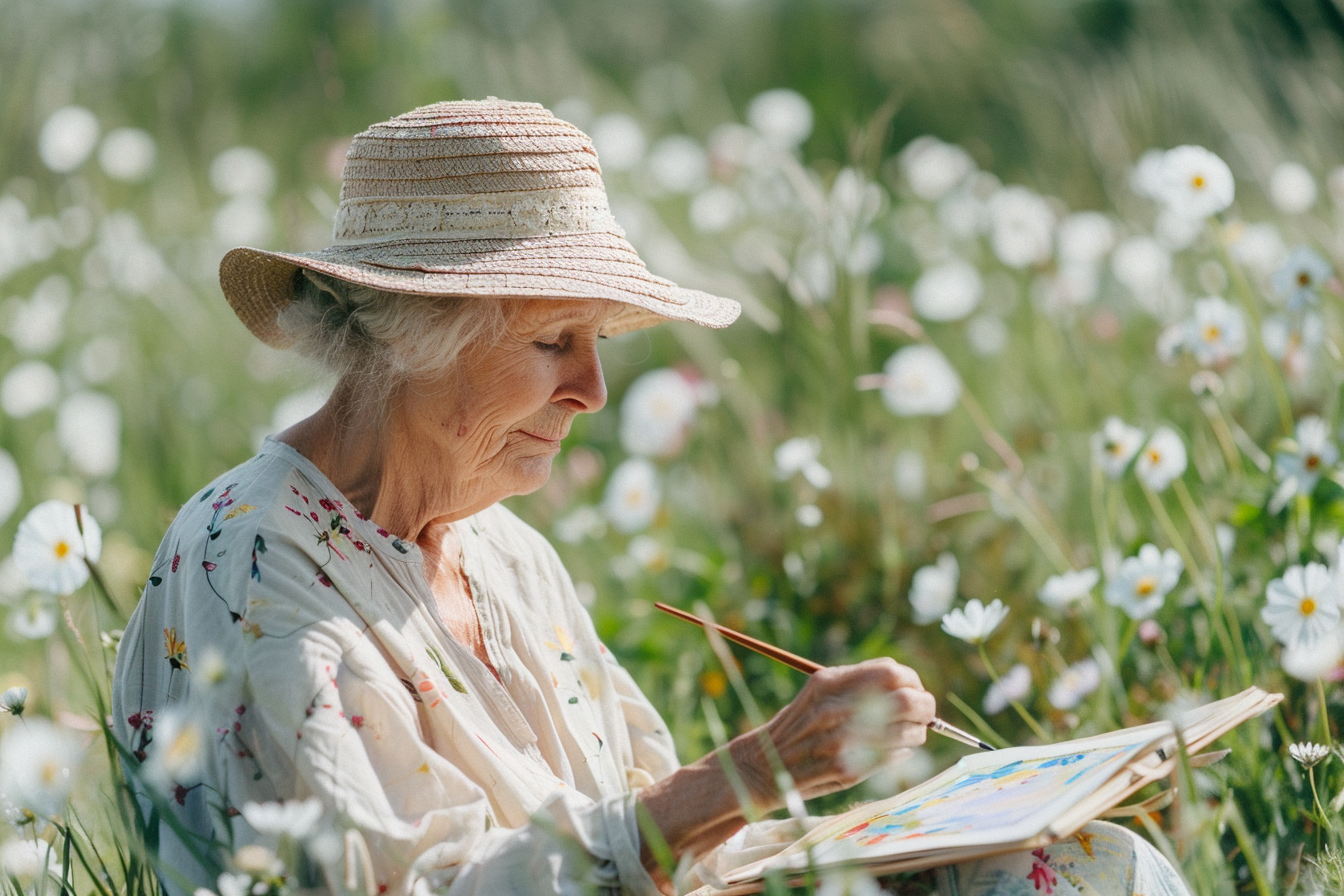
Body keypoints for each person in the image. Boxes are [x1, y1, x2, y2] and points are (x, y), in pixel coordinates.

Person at [112, 99, 1191, 896]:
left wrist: (898, 827)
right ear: (413, 340)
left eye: (596, 341)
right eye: (553, 340)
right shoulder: (251, 555)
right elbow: (388, 880)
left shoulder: (504, 552)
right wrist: (754, 771)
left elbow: (648, 832)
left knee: (1099, 867)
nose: (592, 389)